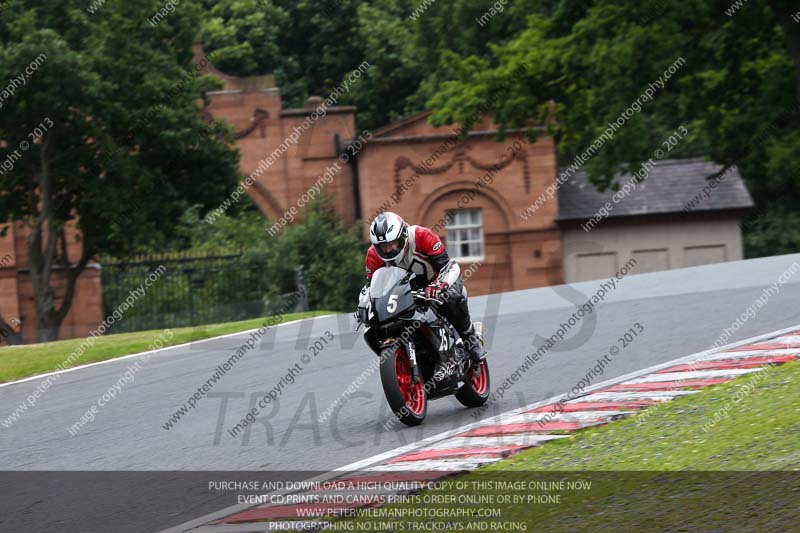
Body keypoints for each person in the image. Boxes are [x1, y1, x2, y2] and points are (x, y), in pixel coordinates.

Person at [364, 211, 487, 367]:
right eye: (383, 246)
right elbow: (372, 287)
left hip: (436, 283)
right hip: (404, 294)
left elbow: (448, 266)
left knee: (451, 297)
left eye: (391, 244)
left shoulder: (422, 236)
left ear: (402, 237)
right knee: (374, 324)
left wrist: (440, 285)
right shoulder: (373, 256)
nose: (388, 250)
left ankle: (471, 340)